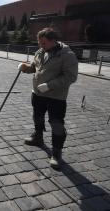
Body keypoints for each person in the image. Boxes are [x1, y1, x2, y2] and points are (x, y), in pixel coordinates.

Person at [18, 27, 78, 168]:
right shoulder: (40, 52)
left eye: (44, 43)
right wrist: (26, 67)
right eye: (39, 43)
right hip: (38, 93)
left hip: (56, 96)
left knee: (56, 124)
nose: (41, 46)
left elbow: (70, 76)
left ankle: (56, 153)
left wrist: (50, 85)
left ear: (53, 41)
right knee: (37, 116)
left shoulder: (67, 55)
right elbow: (35, 67)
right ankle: (38, 137)